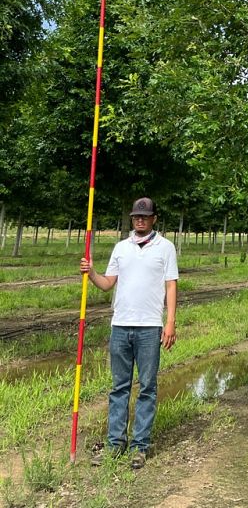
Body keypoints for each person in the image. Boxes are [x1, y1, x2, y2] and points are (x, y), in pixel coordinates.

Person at [80, 197, 178, 469]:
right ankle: (115, 445)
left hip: (149, 328)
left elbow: (171, 286)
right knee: (118, 388)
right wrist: (91, 272)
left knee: (147, 386)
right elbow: (107, 283)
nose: (140, 220)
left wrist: (170, 322)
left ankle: (140, 446)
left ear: (154, 219)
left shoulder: (166, 248)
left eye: (145, 216)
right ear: (132, 218)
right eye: (136, 216)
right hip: (121, 327)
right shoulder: (121, 247)